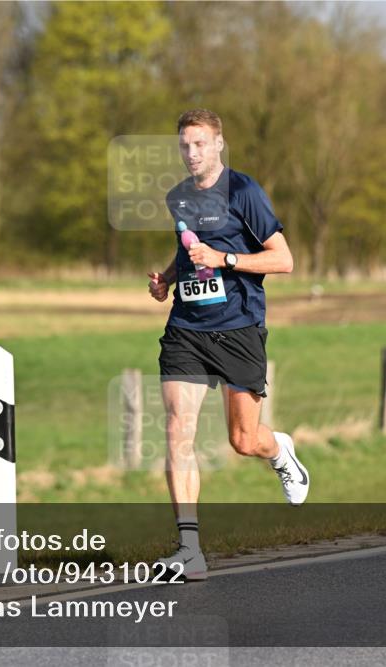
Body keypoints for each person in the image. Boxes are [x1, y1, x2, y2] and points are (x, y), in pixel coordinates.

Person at [147, 109, 309, 581]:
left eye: (200, 144)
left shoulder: (244, 192)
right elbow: (188, 250)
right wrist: (169, 279)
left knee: (243, 440)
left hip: (238, 328)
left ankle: (278, 450)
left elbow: (284, 260)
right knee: (179, 429)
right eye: (184, 145)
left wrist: (226, 258)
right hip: (187, 329)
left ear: (219, 145)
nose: (192, 153)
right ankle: (189, 551)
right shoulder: (177, 197)